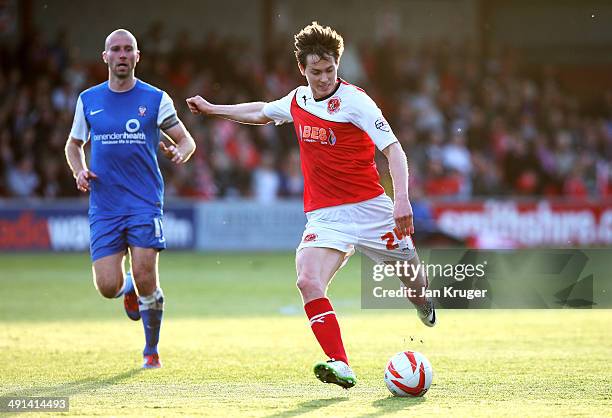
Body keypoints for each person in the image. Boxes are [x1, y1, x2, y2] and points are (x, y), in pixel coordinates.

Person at [186, 22, 434, 389]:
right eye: (315, 71)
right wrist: (211, 109)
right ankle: (341, 362)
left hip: (371, 209)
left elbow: (393, 150)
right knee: (307, 279)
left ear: (338, 65)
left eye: (330, 70)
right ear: (302, 69)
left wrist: (401, 199)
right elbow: (260, 112)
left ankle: (423, 302)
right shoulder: (298, 100)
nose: (323, 78)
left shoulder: (356, 102)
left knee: (413, 285)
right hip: (326, 215)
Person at [65, 29, 196, 369]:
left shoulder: (155, 99)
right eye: (115, 50)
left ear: (137, 57)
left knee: (145, 275)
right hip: (105, 205)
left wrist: (180, 153)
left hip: (143, 201)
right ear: (105, 57)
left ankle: (151, 350)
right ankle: (126, 290)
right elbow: (73, 145)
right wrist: (79, 170)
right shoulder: (88, 100)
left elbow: (186, 140)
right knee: (107, 286)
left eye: (128, 50)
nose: (122, 55)